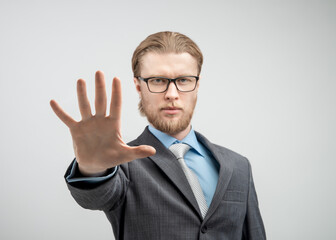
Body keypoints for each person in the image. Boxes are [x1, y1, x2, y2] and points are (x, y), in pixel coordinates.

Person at [50, 31, 266, 240]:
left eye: (183, 80)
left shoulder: (239, 166)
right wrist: (93, 169)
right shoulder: (124, 165)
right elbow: (96, 197)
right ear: (138, 86)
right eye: (158, 81)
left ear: (197, 85)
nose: (172, 94)